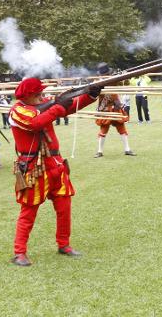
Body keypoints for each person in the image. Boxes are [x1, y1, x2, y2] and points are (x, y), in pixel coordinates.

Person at [8, 77, 102, 266]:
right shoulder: (17, 111)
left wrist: (91, 95)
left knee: (64, 207)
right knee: (28, 212)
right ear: (28, 95)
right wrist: (58, 106)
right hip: (34, 168)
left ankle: (64, 244)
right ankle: (19, 252)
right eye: (38, 93)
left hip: (55, 164)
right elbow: (36, 123)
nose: (42, 95)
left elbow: (69, 106)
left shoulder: (43, 104)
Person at [94, 63, 136, 158]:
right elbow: (95, 94)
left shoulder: (113, 79)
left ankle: (127, 149)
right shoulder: (97, 82)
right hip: (105, 108)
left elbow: (125, 83)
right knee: (103, 129)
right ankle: (99, 151)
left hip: (116, 106)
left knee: (122, 128)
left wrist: (124, 76)